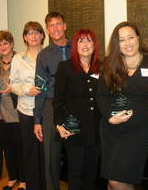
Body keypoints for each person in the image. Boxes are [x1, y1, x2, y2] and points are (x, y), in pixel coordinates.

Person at [96, 21, 148, 190]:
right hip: (112, 130)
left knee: (118, 180)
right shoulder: (110, 63)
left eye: (131, 37)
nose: (127, 43)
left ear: (138, 37)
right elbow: (101, 95)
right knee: (111, 180)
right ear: (117, 44)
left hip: (138, 131)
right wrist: (110, 117)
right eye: (122, 40)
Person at [54, 28, 102, 190]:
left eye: (89, 40)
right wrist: (59, 124)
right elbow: (58, 100)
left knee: (91, 173)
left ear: (94, 45)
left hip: (96, 130)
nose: (85, 44)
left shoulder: (102, 67)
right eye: (81, 40)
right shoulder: (65, 67)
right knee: (75, 172)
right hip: (73, 129)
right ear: (75, 45)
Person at [33, 11, 71, 190]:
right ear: (47, 30)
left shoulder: (79, 47)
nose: (55, 28)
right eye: (51, 26)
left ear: (65, 26)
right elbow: (40, 88)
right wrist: (37, 120)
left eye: (58, 24)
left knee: (76, 152)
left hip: (75, 105)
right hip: (51, 106)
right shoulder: (44, 55)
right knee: (51, 155)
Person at [0, 30, 26, 190]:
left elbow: (25, 84)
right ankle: (12, 178)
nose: (2, 47)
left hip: (16, 111)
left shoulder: (20, 60)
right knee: (7, 148)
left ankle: (23, 180)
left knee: (19, 147)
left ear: (12, 43)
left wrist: (12, 89)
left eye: (5, 43)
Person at [10, 21, 46, 190]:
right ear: (25, 37)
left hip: (46, 110)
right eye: (29, 33)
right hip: (26, 110)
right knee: (30, 151)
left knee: (46, 152)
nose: (33, 36)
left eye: (37, 32)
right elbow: (13, 84)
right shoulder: (17, 58)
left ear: (42, 36)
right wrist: (26, 90)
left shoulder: (49, 55)